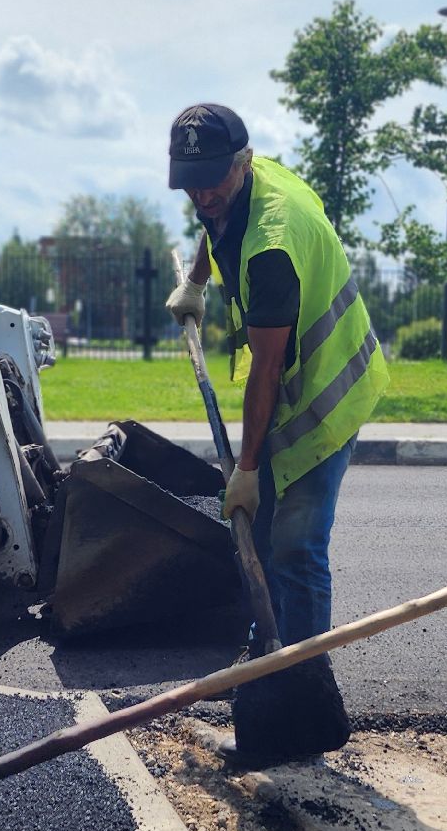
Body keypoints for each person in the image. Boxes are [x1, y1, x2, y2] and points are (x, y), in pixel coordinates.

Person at [163, 103, 389, 764]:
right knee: (256, 534)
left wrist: (248, 468)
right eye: (189, 182)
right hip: (294, 380)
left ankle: (301, 679)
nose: (201, 195)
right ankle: (268, 650)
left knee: (294, 545)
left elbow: (265, 371)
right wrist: (199, 282)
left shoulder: (270, 248)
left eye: (212, 181)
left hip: (327, 394)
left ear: (242, 163)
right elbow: (217, 225)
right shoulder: (238, 185)